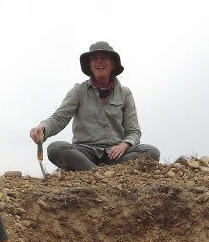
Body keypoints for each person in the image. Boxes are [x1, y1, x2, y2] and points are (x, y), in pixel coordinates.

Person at [29, 41, 160, 171]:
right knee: (55, 148)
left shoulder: (125, 93)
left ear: (113, 64)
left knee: (151, 152)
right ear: (90, 65)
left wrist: (124, 145)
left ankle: (91, 171)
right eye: (95, 58)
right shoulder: (78, 91)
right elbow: (59, 118)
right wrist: (43, 128)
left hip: (115, 154)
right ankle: (98, 173)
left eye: (104, 57)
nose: (99, 61)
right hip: (84, 153)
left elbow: (134, 131)